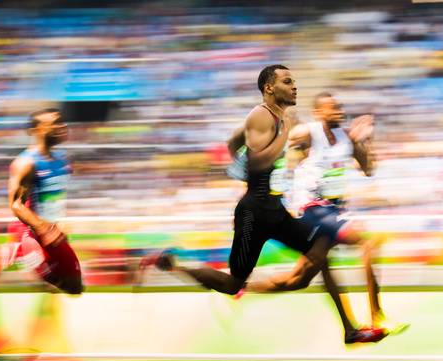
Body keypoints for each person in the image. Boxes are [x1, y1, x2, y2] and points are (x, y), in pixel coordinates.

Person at [144, 65, 385, 344]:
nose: (294, 86)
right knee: (232, 283)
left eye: (293, 81)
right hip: (253, 214)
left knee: (320, 253)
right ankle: (175, 263)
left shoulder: (277, 118)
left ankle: (350, 331)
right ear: (270, 88)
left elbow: (233, 141)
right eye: (287, 81)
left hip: (276, 209)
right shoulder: (261, 115)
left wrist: (246, 163)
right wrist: (280, 138)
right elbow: (259, 160)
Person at [247, 92, 407, 333]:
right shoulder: (308, 132)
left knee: (298, 280)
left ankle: (242, 289)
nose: (340, 111)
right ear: (318, 112)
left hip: (332, 210)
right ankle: (377, 317)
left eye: (340, 106)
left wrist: (365, 141)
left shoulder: (347, 138)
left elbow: (369, 170)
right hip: (310, 208)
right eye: (333, 108)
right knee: (369, 243)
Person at [6, 108, 83, 295]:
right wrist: (44, 228)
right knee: (72, 286)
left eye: (62, 121)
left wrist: (56, 226)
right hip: (35, 232)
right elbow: (15, 205)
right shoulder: (26, 163)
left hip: (53, 231)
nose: (63, 126)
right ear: (38, 130)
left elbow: (53, 197)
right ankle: (20, 252)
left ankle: (27, 259)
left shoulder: (62, 160)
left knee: (69, 285)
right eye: (56, 122)